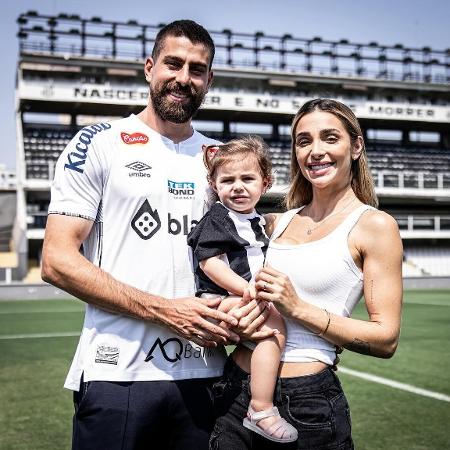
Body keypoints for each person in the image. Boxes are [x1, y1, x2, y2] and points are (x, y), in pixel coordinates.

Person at [41, 20, 269, 450]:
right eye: (173, 64)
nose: (184, 78)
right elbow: (56, 261)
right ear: (149, 68)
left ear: (209, 80)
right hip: (118, 372)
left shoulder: (220, 162)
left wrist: (254, 307)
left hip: (209, 376)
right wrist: (166, 310)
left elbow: (255, 250)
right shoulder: (99, 142)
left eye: (197, 69)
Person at [210, 98, 403, 449]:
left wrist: (297, 308)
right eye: (304, 141)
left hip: (306, 403)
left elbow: (385, 339)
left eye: (330, 138)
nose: (316, 151)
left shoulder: (374, 226)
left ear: (356, 146)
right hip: (235, 390)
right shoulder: (272, 222)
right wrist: (231, 319)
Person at [187, 136, 298, 444]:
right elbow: (211, 264)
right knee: (274, 328)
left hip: (237, 297)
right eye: (228, 180)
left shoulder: (257, 221)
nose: (237, 186)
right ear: (214, 184)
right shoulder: (218, 218)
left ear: (265, 183)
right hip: (218, 300)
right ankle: (260, 409)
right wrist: (247, 289)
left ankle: (249, 388)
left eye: (247, 179)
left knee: (267, 336)